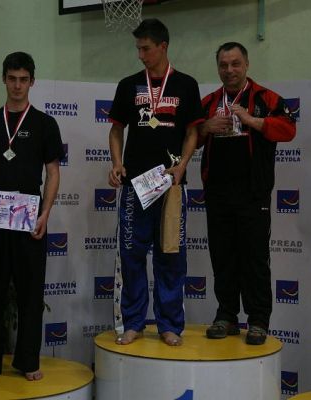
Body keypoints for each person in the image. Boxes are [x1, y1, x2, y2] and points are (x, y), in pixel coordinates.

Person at [0, 52, 64, 381]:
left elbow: (53, 172)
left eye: (23, 79)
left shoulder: (45, 124)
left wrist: (45, 213)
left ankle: (28, 361)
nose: (17, 85)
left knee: (30, 293)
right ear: (4, 80)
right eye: (12, 79)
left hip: (29, 217)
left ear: (32, 82)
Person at [108, 19, 204, 346]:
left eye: (146, 48)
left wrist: (182, 166)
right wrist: (117, 163)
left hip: (171, 185)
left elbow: (192, 132)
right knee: (132, 255)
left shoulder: (186, 85)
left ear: (163, 46)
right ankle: (133, 322)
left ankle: (169, 325)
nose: (141, 55)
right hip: (136, 185)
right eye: (138, 49)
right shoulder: (129, 85)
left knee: (170, 255)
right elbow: (116, 130)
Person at [197, 42, 296, 345]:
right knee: (223, 257)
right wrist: (205, 128)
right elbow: (190, 137)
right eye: (223, 65)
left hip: (253, 194)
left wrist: (253, 121)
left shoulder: (267, 98)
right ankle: (226, 315)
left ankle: (258, 320)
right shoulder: (209, 102)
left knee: (254, 258)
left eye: (235, 64)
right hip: (218, 193)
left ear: (247, 65)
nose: (229, 70)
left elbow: (289, 129)